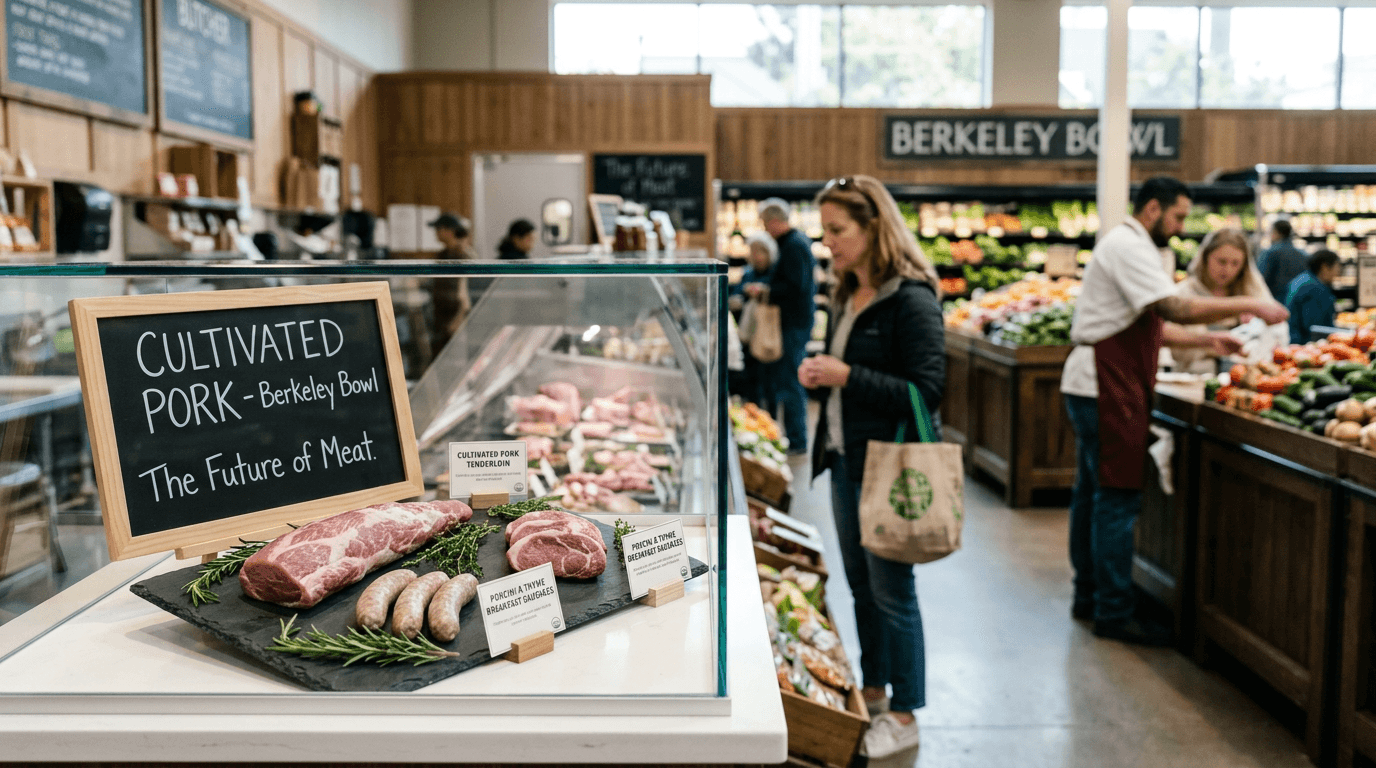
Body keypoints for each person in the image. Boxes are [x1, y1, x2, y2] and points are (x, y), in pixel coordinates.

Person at [1060, 177, 1288, 646]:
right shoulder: (1129, 246)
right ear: (1152, 209)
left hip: (1100, 380)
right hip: (1105, 383)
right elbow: (1173, 308)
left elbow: (1149, 326)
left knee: (1093, 495)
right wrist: (1253, 304)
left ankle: (1090, 595)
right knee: (1116, 498)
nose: (1182, 226)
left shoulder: (1135, 246)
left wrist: (1210, 341)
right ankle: (1113, 610)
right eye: (1178, 216)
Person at [797, 175, 944, 760]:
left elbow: (927, 391)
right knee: (860, 585)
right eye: (825, 230)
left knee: (892, 591)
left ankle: (906, 712)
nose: (828, 241)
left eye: (838, 230)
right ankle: (876, 689)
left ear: (873, 227)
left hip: (889, 467)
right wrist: (825, 375)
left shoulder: (911, 299)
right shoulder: (845, 293)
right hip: (845, 459)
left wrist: (848, 376)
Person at [754, 197, 816, 455]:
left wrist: (766, 290)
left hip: (793, 325)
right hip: (792, 323)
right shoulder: (791, 243)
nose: (765, 229)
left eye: (765, 223)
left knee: (790, 382)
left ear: (775, 221)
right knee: (786, 381)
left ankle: (797, 440)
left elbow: (795, 286)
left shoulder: (794, 245)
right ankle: (789, 437)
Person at [1170, 228, 1273, 373]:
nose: (1227, 270)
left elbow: (1274, 332)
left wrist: (1257, 323)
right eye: (1221, 261)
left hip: (1245, 378)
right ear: (1206, 258)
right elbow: (1177, 351)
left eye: (1235, 263)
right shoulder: (1183, 293)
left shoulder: (1251, 291)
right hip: (1195, 378)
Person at [732, 231, 778, 409]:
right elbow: (736, 294)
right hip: (749, 334)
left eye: (761, 251)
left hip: (768, 335)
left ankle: (770, 416)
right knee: (751, 379)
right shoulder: (748, 273)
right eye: (753, 251)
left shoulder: (775, 274)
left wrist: (763, 292)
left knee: (770, 381)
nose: (757, 256)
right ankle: (753, 412)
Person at [428, 212, 475, 358]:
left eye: (439, 229)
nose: (436, 233)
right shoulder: (442, 255)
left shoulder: (464, 256)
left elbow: (466, 293)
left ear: (449, 231)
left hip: (457, 319)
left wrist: (459, 319)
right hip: (440, 318)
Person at [1285, 249, 1340, 344]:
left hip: (1293, 339)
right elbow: (1315, 326)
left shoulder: (1302, 279)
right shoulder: (1315, 288)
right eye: (1337, 267)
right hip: (1305, 343)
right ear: (1324, 267)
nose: (1338, 272)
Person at [1257, 219, 1309, 301]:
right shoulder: (1303, 254)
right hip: (1297, 301)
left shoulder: (1269, 253)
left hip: (1274, 301)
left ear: (1276, 232)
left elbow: (1260, 278)